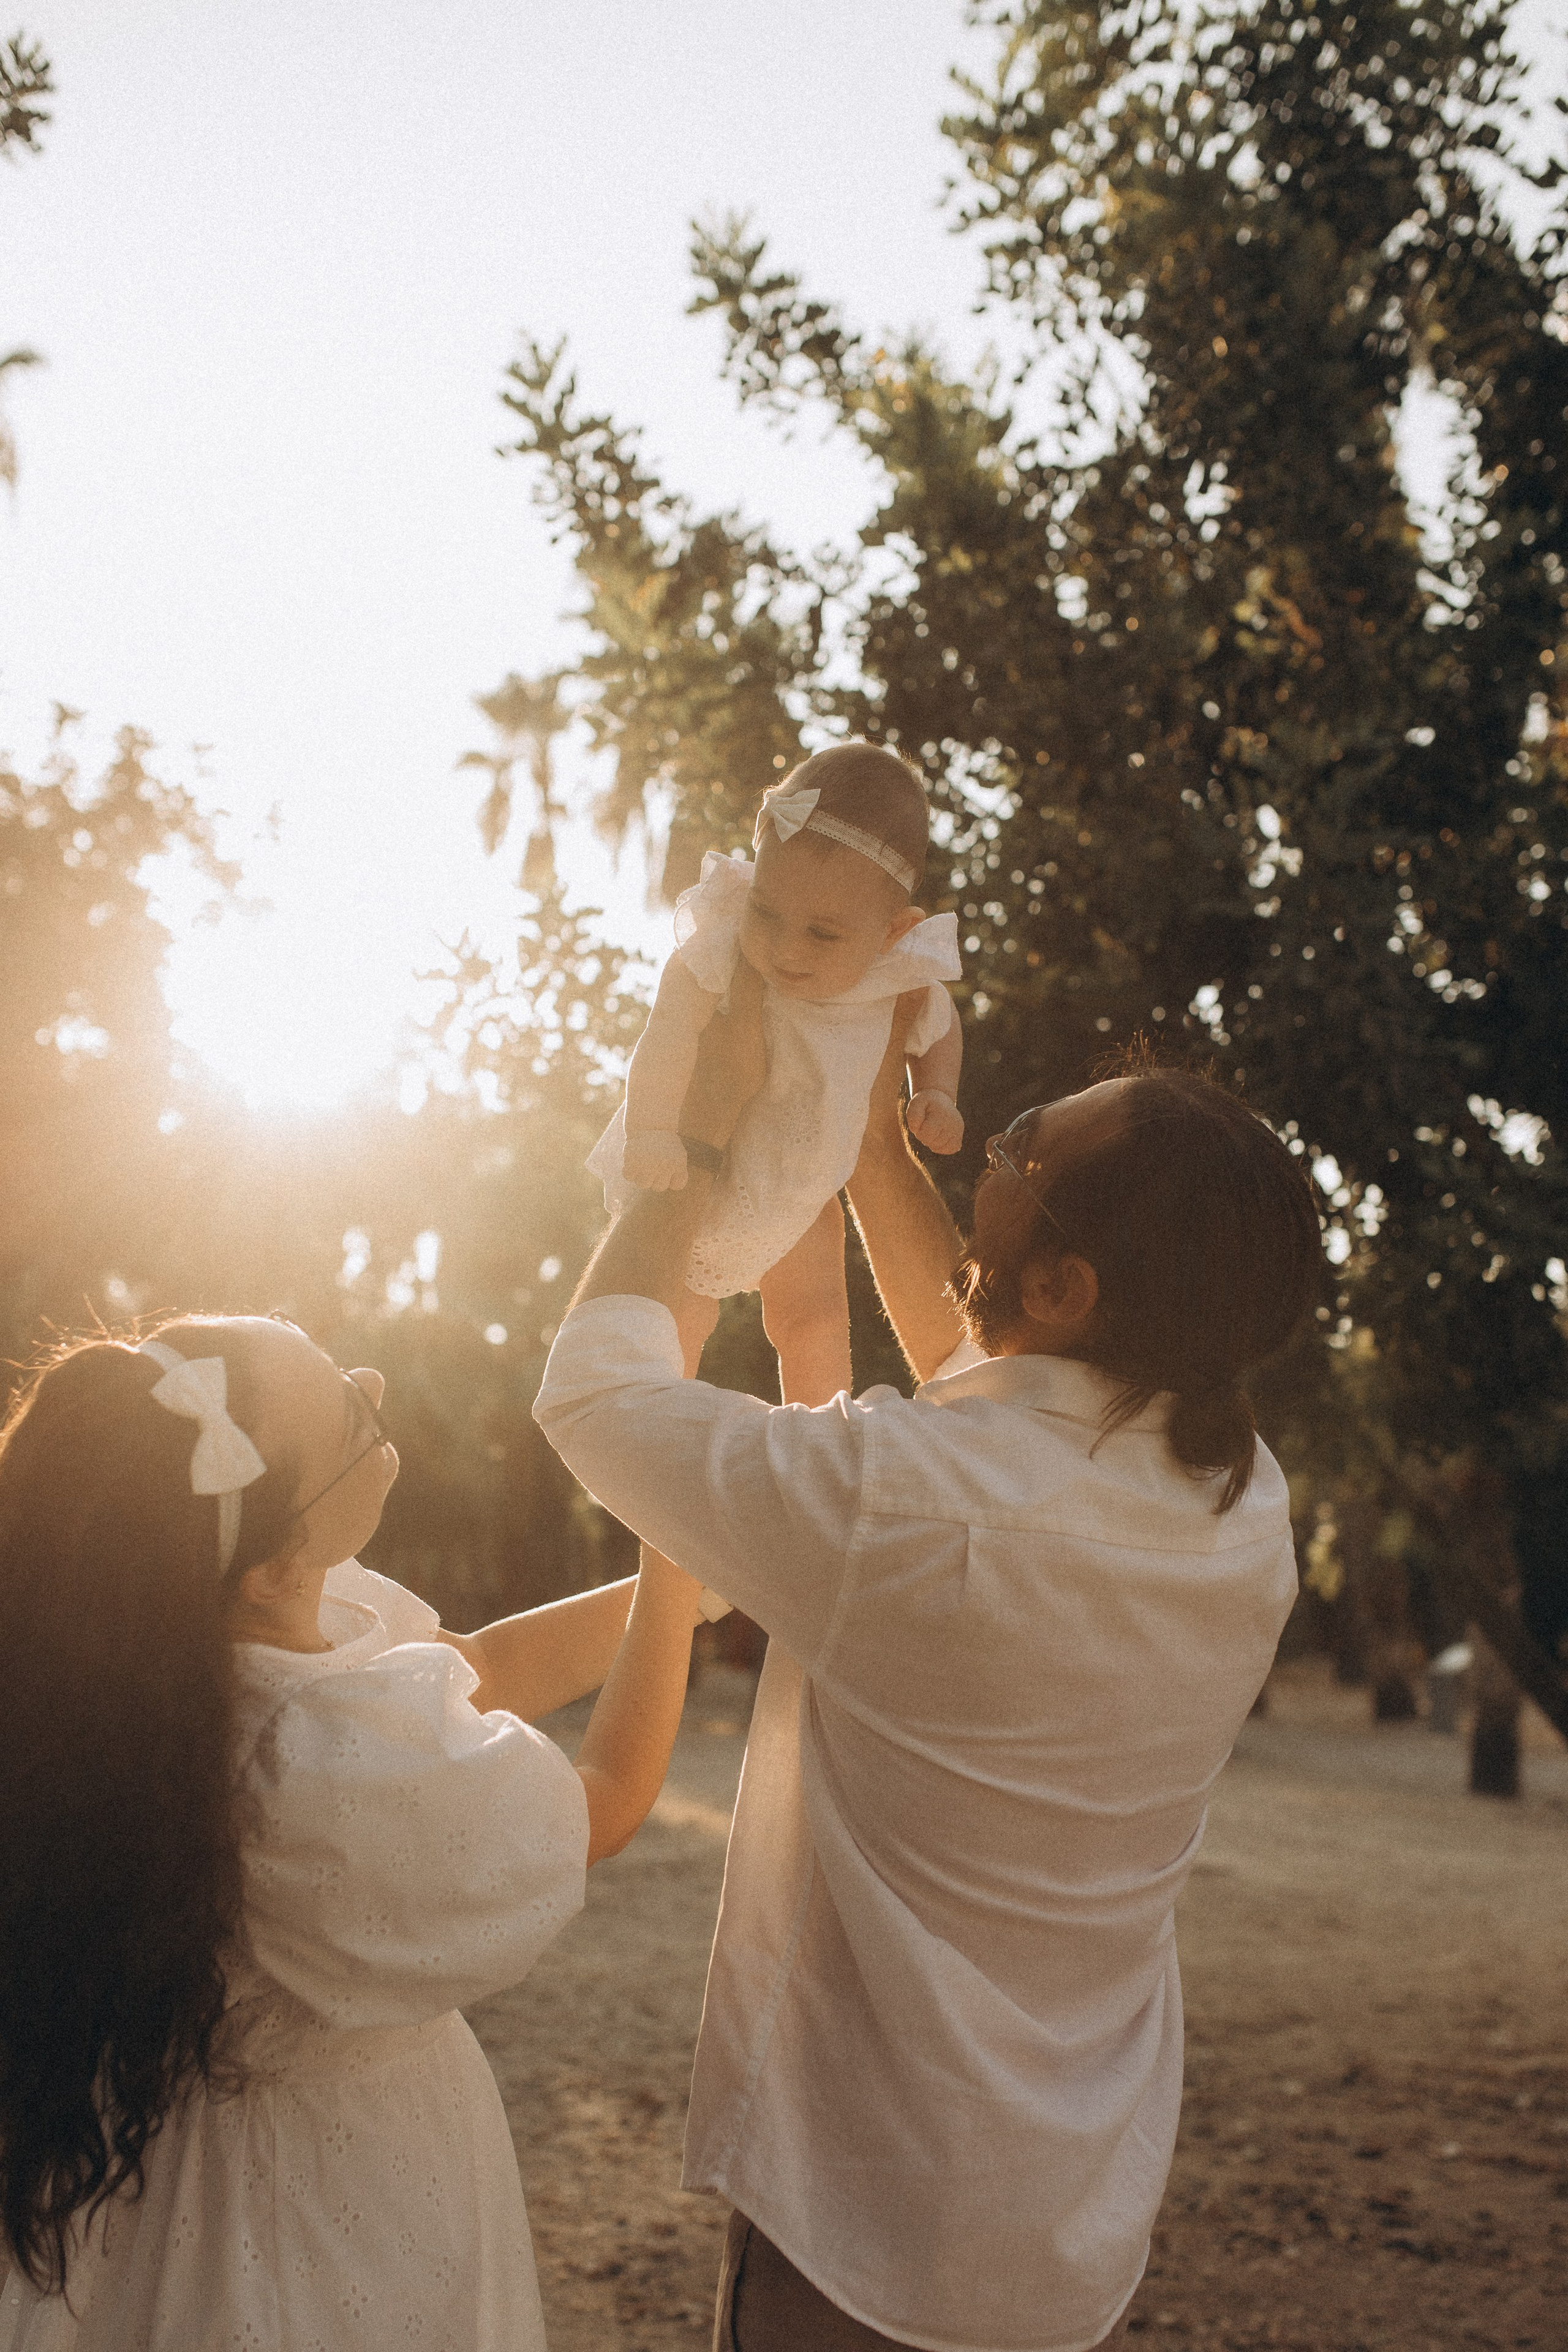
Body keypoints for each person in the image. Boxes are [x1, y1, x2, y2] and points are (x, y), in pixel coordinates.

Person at [533, 1000, 1327, 2352]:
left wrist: (686, 1142)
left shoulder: (896, 1507)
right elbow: (995, 1400)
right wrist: (870, 1151)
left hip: (862, 2219)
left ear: (1065, 1289)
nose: (990, 1155)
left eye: (1016, 1151)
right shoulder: (1245, 1510)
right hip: (1060, 2213)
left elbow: (596, 1400)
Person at [0, 1313, 704, 2351]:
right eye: (348, 1413)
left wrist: (706, 1580)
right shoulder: (307, 1769)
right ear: (276, 1563)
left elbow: (486, 1666)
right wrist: (678, 1541)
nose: (372, 1382)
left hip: (182, 2167)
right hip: (313, 2209)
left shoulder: (208, 1644)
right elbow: (605, 1797)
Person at [589, 741, 965, 1404]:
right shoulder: (722, 939)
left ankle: (818, 1432)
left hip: (806, 1184)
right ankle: (654, 1416)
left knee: (814, 1320)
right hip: (701, 1164)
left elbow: (939, 1025)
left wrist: (936, 1091)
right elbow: (667, 1031)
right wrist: (650, 1131)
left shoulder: (897, 972)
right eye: (766, 911)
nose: (786, 948)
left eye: (823, 934)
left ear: (891, 931)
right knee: (678, 1314)